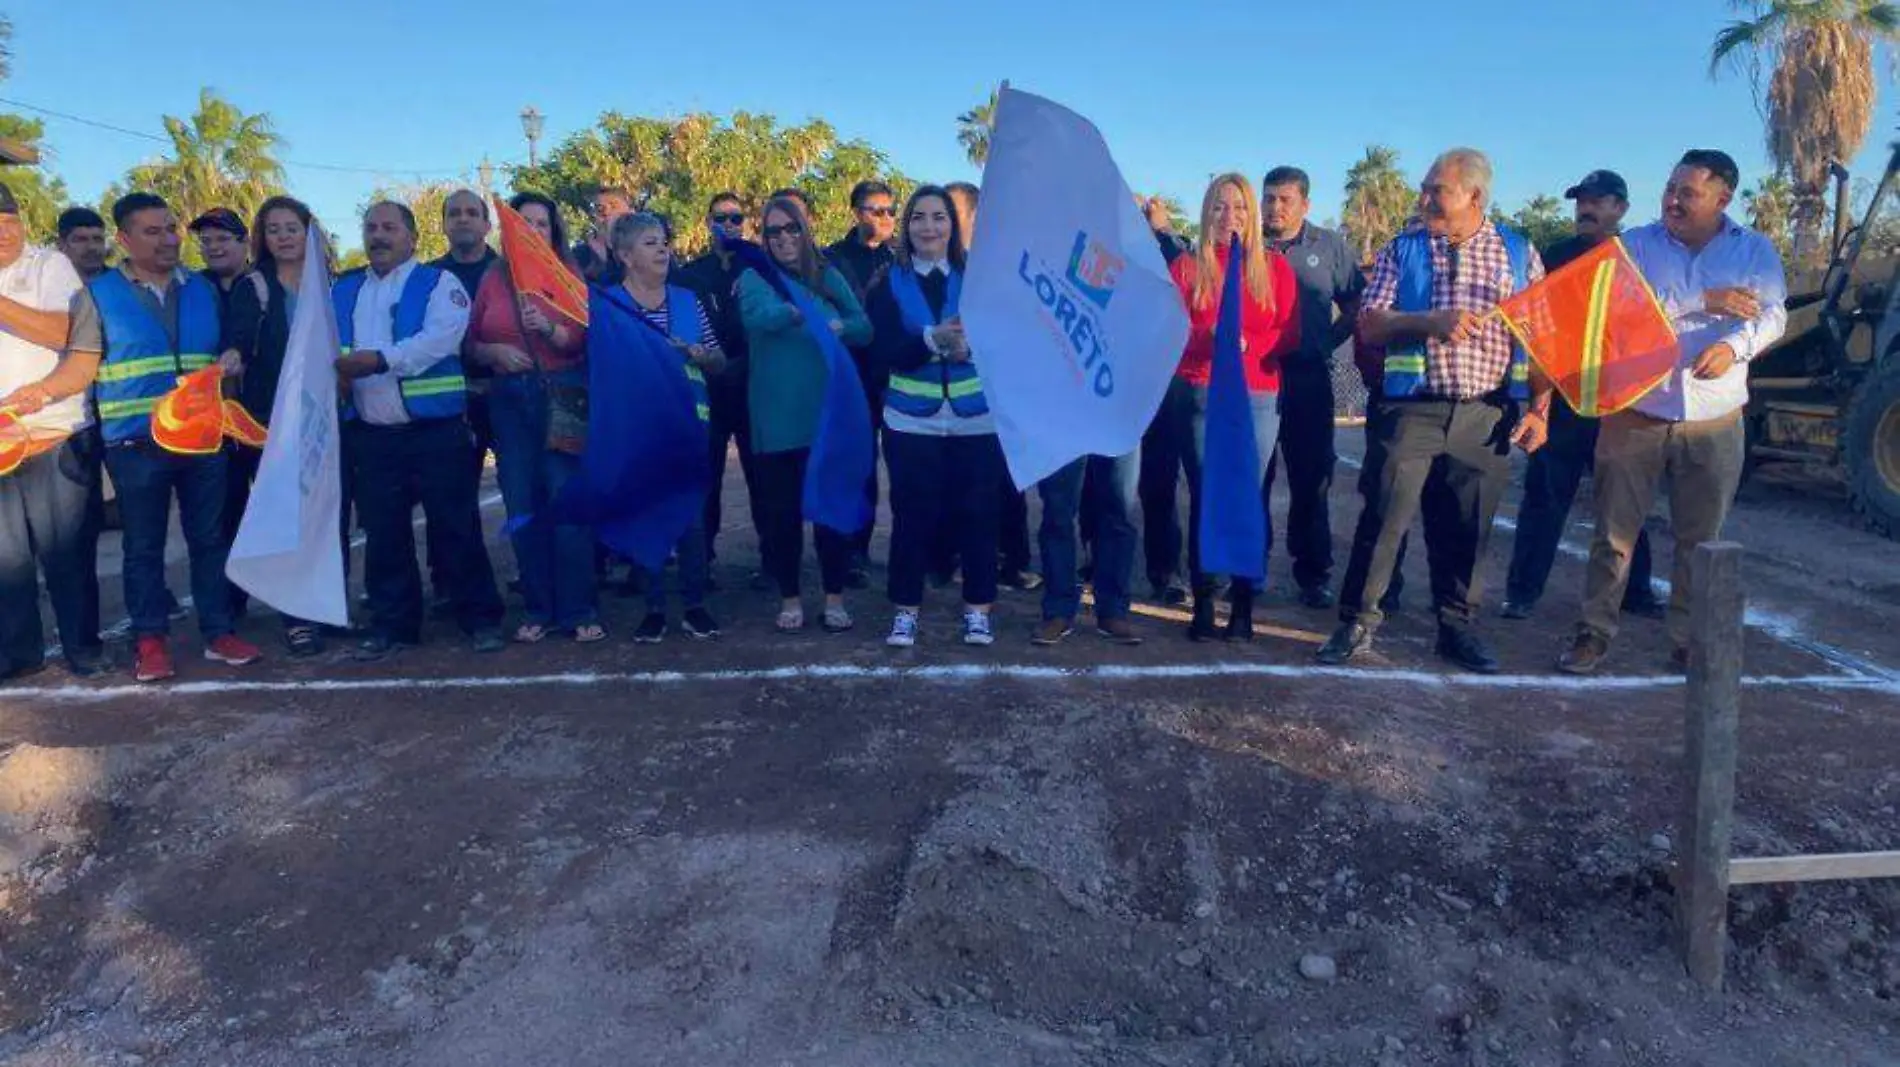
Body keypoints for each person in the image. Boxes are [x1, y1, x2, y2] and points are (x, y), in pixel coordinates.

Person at [2, 192, 262, 682]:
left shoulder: (203, 289)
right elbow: (81, 362)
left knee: (208, 539)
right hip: (134, 445)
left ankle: (219, 630)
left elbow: (227, 351)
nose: (167, 240)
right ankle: (150, 640)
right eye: (152, 232)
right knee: (143, 546)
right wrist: (40, 392)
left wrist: (231, 360)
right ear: (124, 239)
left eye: (170, 229)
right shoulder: (98, 294)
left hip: (202, 442)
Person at [1318, 149, 1548, 674]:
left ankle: (1457, 628)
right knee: (1384, 517)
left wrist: (1540, 408)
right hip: (1411, 411)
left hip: (1486, 415)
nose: (1424, 198)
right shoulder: (1405, 249)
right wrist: (1428, 321)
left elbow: (1541, 340)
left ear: (1474, 197)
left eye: (1436, 190)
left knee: (1469, 528)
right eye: (1425, 188)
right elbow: (1371, 324)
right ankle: (1358, 623)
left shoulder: (1517, 254)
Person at [1558, 150, 1787, 675]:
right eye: (1670, 189)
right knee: (1613, 535)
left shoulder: (1753, 250)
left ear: (1723, 199)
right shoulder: (1634, 246)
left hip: (1715, 419)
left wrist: (1736, 346)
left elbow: (1773, 314)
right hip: (1636, 411)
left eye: (1688, 192)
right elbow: (1616, 312)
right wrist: (1699, 298)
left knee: (1700, 540)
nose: (1673, 201)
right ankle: (1593, 634)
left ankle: (1689, 641)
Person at [335, 201, 505, 659]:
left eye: (389, 227)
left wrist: (380, 360)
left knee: (456, 526)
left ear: (412, 237)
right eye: (370, 227)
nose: (378, 235)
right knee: (384, 534)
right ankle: (394, 624)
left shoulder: (439, 283)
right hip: (372, 434)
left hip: (435, 432)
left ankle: (481, 617)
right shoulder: (344, 289)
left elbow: (441, 340)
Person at [1500, 169, 1663, 621]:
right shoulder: (1555, 257)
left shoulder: (1636, 260)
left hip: (1618, 405)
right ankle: (1522, 592)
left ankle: (1636, 592)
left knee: (1624, 505)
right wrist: (1540, 404)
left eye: (1597, 201)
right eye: (1581, 202)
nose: (1586, 209)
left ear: (1620, 208)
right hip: (1566, 403)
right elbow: (1541, 336)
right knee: (1544, 499)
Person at [864, 185, 1005, 647]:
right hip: (911, 420)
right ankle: (905, 610)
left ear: (954, 224)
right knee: (912, 516)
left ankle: (978, 610)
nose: (929, 226)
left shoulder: (980, 277)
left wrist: (971, 349)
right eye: (919, 217)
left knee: (979, 515)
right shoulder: (888, 281)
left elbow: (1007, 342)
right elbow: (882, 348)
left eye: (939, 217)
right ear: (906, 227)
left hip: (975, 417)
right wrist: (931, 339)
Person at [1167, 173, 1302, 641]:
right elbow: (1171, 330)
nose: (1230, 217)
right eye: (1220, 207)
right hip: (1200, 392)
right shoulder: (1187, 267)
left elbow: (1289, 333)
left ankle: (1243, 602)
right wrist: (1213, 339)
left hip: (1257, 395)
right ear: (1207, 213)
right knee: (1207, 496)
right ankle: (1204, 600)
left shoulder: (1276, 270)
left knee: (1248, 497)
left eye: (1240, 208)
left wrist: (1246, 343)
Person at [463, 192, 598, 644]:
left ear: (553, 230)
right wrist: (492, 351)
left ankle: (578, 608)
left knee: (567, 499)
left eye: (541, 224)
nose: (533, 232)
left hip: (563, 393)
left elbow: (583, 338)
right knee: (522, 503)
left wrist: (551, 330)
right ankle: (539, 607)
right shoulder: (492, 278)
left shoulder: (567, 272)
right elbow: (470, 343)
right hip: (509, 400)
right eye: (525, 224)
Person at [737, 195, 871, 634]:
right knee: (782, 516)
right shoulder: (755, 277)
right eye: (773, 231)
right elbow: (757, 318)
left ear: (805, 229)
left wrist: (837, 326)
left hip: (826, 415)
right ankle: (790, 597)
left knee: (830, 511)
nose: (783, 238)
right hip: (776, 421)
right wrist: (795, 313)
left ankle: (834, 598)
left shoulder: (828, 274)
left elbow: (863, 325)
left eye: (791, 228)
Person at [220, 195, 332, 655]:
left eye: (292, 227)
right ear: (262, 238)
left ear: (309, 230)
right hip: (272, 424)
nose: (284, 236)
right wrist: (231, 359)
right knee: (286, 519)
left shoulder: (331, 282)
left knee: (326, 516)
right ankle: (297, 616)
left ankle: (325, 602)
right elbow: (239, 342)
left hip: (325, 419)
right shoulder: (255, 286)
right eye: (274, 229)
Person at [0, 181, 103, 680]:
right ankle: (20, 652)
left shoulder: (49, 266)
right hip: (1, 446)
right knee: (7, 561)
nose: (3, 234)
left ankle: (83, 646)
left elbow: (65, 334)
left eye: (9, 223)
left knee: (65, 553)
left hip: (54, 433)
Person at [610, 211, 726, 642]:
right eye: (649, 243)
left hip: (688, 428)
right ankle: (654, 607)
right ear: (625, 255)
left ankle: (694, 604)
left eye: (663, 241)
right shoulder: (609, 304)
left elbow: (718, 360)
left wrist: (698, 353)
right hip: (638, 430)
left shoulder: (686, 300)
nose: (662, 249)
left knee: (691, 520)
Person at [1261, 166, 1364, 609]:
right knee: (1254, 475)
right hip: (1257, 379)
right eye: (1269, 199)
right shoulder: (1246, 244)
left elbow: (1356, 304)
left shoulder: (1330, 247)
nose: (1275, 208)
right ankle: (1250, 566)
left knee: (1311, 478)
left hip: (1308, 378)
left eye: (1285, 200)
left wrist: (1326, 342)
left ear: (1305, 204)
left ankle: (1312, 573)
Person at [673, 192, 760, 571]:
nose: (728, 225)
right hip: (707, 391)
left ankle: (772, 560)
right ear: (707, 223)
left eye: (736, 218)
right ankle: (701, 560)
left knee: (762, 479)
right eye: (720, 218)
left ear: (747, 223)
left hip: (754, 388)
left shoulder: (760, 267)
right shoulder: (690, 274)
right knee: (704, 479)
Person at [825, 179, 898, 586]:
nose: (885, 217)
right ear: (856, 212)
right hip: (852, 377)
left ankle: (915, 550)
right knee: (858, 467)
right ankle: (855, 550)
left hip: (898, 377)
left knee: (908, 466)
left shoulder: (903, 259)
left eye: (890, 210)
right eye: (876, 209)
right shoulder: (831, 260)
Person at [189, 208, 251, 319]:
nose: (213, 247)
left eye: (222, 239)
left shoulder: (266, 286)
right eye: (206, 241)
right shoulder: (189, 288)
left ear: (245, 241)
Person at [572, 186, 635, 284]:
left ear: (631, 213)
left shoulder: (645, 251)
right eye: (600, 209)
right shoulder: (579, 256)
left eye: (614, 206)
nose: (607, 213)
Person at [57, 207, 110, 280]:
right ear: (61, 244)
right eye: (81, 240)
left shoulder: (125, 284)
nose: (92, 247)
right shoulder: (44, 286)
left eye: (98, 239)